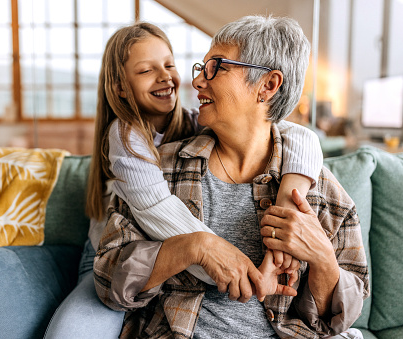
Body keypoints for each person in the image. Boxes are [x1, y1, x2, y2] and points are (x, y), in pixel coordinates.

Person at [93, 16, 369, 338]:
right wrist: (192, 247)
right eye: (201, 67)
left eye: (216, 67)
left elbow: (337, 319)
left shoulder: (318, 187)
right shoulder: (158, 169)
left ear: (268, 85)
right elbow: (107, 279)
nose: (196, 82)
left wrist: (322, 258)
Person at [45, 21, 323, 338]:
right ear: (121, 87)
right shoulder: (126, 140)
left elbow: (298, 135)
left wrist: (288, 202)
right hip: (107, 256)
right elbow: (159, 213)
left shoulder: (195, 122)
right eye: (146, 70)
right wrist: (220, 259)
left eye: (169, 64)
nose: (166, 77)